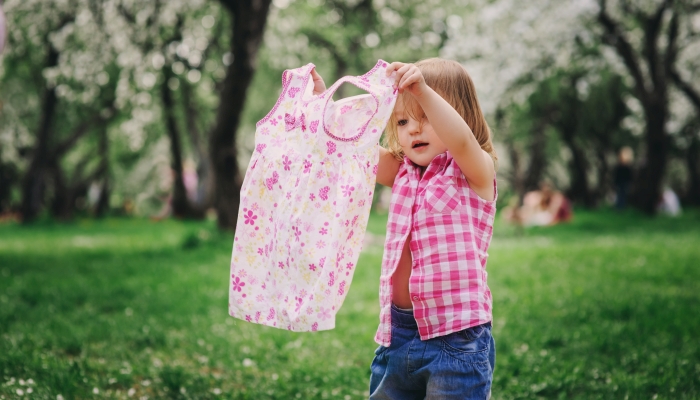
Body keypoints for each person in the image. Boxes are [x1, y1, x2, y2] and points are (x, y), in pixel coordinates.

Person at [314, 58, 497, 398]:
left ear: (461, 115)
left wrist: (422, 92)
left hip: (457, 339)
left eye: (426, 116)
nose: (414, 128)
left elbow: (461, 142)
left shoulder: (474, 171)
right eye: (402, 120)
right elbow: (354, 146)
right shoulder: (402, 171)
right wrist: (326, 107)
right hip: (396, 336)